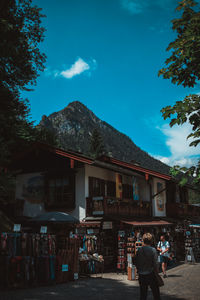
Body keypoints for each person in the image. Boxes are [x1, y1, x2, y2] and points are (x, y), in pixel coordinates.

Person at [135, 233, 161, 300]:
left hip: (141, 274)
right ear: (151, 240)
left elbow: (137, 262)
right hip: (151, 273)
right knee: (156, 294)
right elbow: (156, 263)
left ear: (143, 240)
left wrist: (138, 271)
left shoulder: (139, 250)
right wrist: (157, 272)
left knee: (143, 294)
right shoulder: (153, 250)